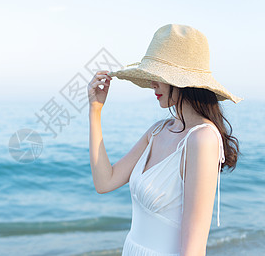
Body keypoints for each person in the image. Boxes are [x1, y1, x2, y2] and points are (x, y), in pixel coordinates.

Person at [87, 24, 241, 256]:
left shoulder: (202, 139)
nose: (152, 83)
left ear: (183, 81)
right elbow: (104, 182)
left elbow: (194, 248)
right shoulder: (157, 131)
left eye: (158, 76)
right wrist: (95, 111)